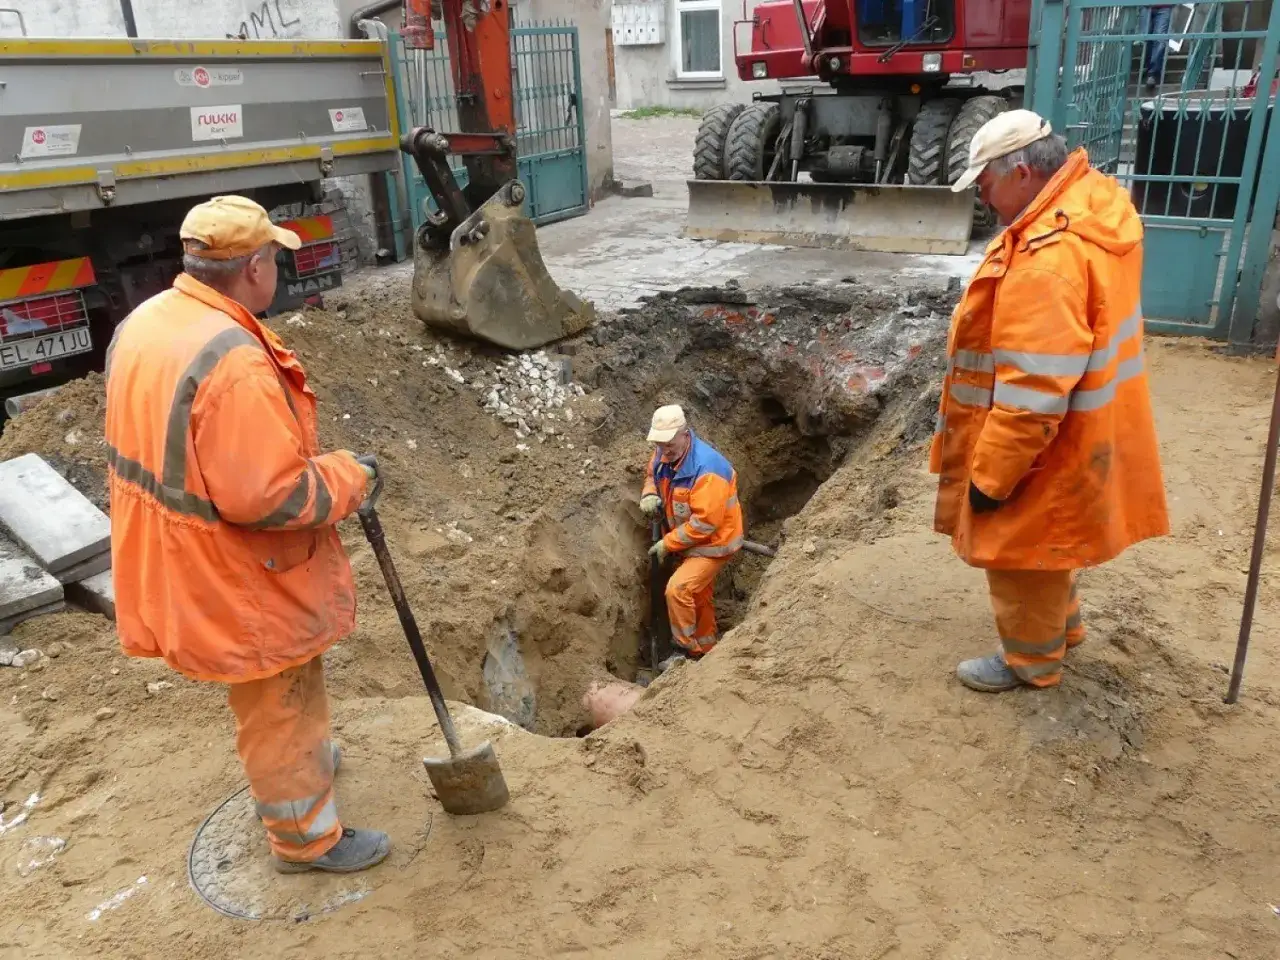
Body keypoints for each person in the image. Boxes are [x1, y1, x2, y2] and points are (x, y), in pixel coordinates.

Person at [104, 195, 390, 873]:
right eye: (274, 260)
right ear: (254, 267)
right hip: (234, 566)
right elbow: (273, 495)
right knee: (277, 693)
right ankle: (305, 837)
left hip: (176, 546)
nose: (278, 273)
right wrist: (350, 477)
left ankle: (304, 764)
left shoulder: (150, 321)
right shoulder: (232, 363)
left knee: (282, 689)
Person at [935, 110, 1169, 693]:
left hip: (1045, 439)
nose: (983, 198)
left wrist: (991, 478)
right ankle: (1063, 628)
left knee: (1019, 546)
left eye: (984, 183)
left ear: (1021, 172)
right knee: (1053, 534)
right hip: (1086, 426)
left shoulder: (1048, 261)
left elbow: (1032, 395)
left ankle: (1031, 661)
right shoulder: (1091, 205)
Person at [639, 405, 744, 671]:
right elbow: (652, 474)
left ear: (685, 435)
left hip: (713, 544)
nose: (664, 451)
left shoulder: (708, 470)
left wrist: (667, 543)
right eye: (659, 445)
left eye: (669, 444)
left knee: (679, 589)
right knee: (698, 595)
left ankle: (684, 651)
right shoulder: (664, 453)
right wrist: (649, 493)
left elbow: (705, 523)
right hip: (689, 541)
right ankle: (706, 648)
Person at [1144, 5, 1174, 91]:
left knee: (1160, 39)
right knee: (1146, 39)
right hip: (1146, 6)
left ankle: (1152, 73)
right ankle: (1148, 68)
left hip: (1164, 5)